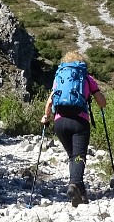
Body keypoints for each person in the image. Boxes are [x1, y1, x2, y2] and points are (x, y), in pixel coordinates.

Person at [40, 52, 106, 207]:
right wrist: (97, 95)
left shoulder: (59, 77)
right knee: (78, 156)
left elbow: (50, 102)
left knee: (73, 157)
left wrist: (45, 117)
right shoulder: (87, 78)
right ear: (82, 63)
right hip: (79, 122)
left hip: (60, 122)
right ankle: (74, 184)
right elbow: (102, 103)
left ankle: (81, 194)